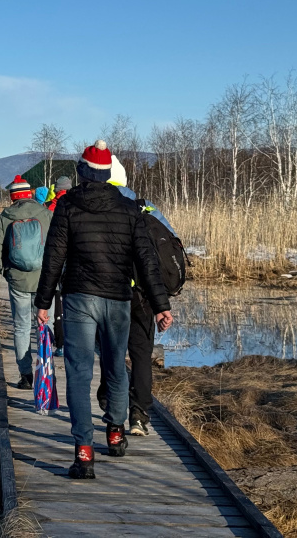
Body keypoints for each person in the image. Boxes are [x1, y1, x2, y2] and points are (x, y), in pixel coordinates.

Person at [34, 141, 174, 479]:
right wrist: (160, 306)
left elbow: (54, 258)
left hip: (79, 300)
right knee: (115, 368)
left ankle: (84, 452)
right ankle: (115, 431)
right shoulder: (129, 209)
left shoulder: (66, 207)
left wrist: (43, 303)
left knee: (79, 375)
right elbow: (147, 262)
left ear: (82, 172)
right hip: (118, 301)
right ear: (108, 173)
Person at [104, 155, 177, 437]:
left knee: (111, 352)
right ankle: (139, 415)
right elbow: (170, 245)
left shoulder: (102, 207)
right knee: (142, 354)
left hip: (111, 293)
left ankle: (113, 408)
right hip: (145, 295)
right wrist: (161, 301)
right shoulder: (147, 207)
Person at [0, 175, 54, 390]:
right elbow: (59, 245)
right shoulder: (46, 214)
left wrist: (6, 272)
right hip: (45, 279)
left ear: (13, 197)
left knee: (21, 327)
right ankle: (47, 371)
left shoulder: (5, 217)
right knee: (45, 325)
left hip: (18, 280)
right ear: (29, 194)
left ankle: (26, 376)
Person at [47, 174, 73, 356]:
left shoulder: (48, 207)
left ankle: (59, 343)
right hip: (73, 260)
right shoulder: (75, 204)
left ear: (56, 190)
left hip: (54, 258)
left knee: (56, 302)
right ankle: (72, 342)